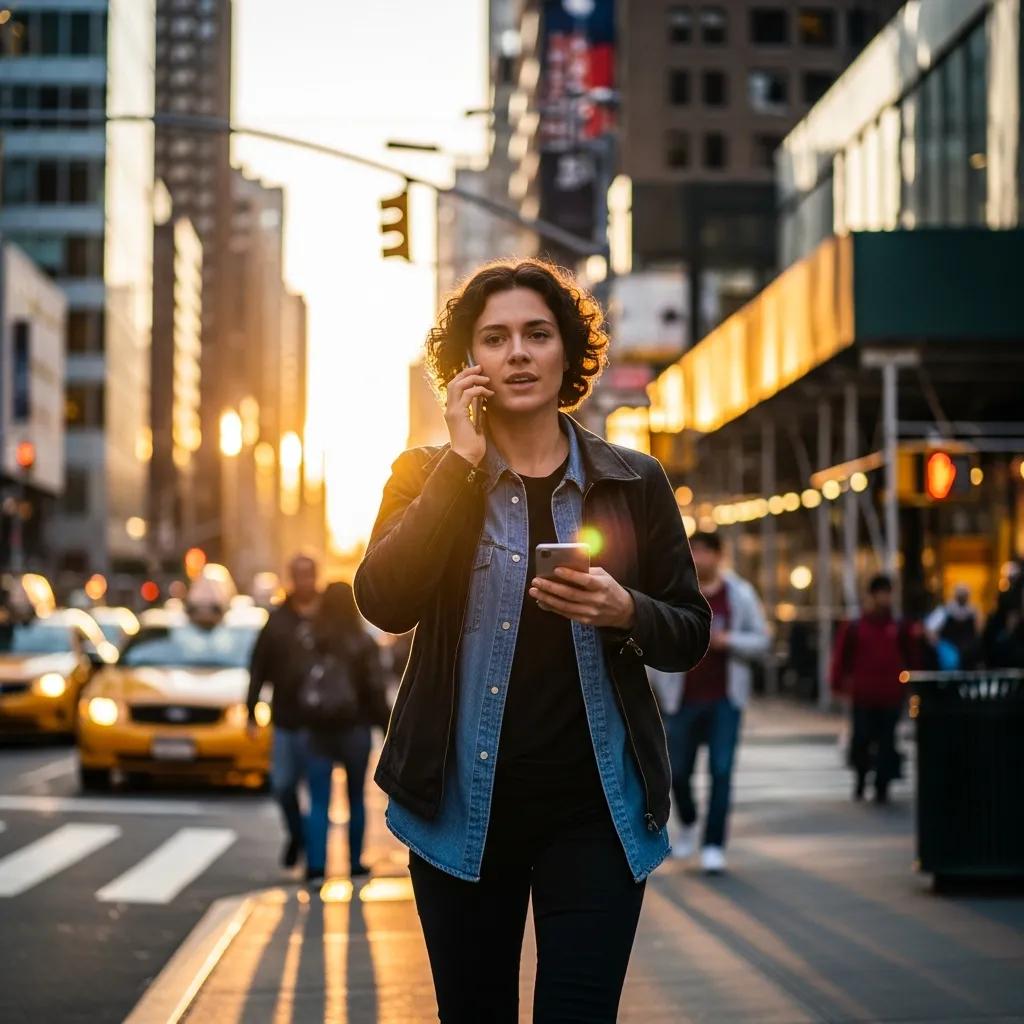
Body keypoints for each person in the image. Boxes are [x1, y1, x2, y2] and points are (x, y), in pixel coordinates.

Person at [354, 259, 711, 1022]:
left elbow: (689, 632)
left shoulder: (633, 481)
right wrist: (460, 464)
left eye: (537, 334)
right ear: (468, 365)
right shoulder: (424, 475)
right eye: (495, 337)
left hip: (595, 816)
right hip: (460, 811)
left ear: (567, 354)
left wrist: (625, 609)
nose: (517, 352)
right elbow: (385, 600)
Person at [655, 531, 769, 874]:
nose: (699, 558)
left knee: (721, 772)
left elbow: (762, 640)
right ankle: (688, 821)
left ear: (719, 556)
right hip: (682, 698)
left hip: (725, 699)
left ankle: (714, 844)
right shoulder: (676, 592)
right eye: (695, 551)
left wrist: (728, 640)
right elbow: (657, 637)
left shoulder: (740, 594)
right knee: (678, 772)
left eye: (706, 551)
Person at [247, 553, 333, 882]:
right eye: (298, 576)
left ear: (316, 577)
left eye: (309, 575)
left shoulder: (329, 617)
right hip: (285, 721)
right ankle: (297, 835)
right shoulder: (278, 620)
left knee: (319, 795)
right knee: (282, 786)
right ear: (291, 580)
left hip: (321, 724)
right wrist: (251, 709)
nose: (304, 582)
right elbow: (259, 667)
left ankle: (316, 865)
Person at [307, 581, 391, 878]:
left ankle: (316, 866)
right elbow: (375, 689)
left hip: (317, 730)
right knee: (356, 798)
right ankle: (355, 863)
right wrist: (386, 727)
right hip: (355, 729)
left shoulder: (312, 638)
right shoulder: (363, 641)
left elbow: (295, 684)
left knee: (318, 800)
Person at [830, 574, 914, 804]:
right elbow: (841, 657)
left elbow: (911, 656)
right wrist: (837, 684)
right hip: (863, 695)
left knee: (887, 742)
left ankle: (882, 785)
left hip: (890, 695)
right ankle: (861, 776)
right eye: (881, 593)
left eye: (888, 593)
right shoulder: (856, 626)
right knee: (862, 739)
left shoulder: (898, 626)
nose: (885, 598)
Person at [924, 584, 981, 670]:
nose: (963, 597)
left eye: (964, 594)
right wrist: (938, 644)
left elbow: (977, 631)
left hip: (968, 653)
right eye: (961, 594)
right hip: (949, 649)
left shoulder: (973, 611)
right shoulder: (945, 610)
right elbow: (930, 629)